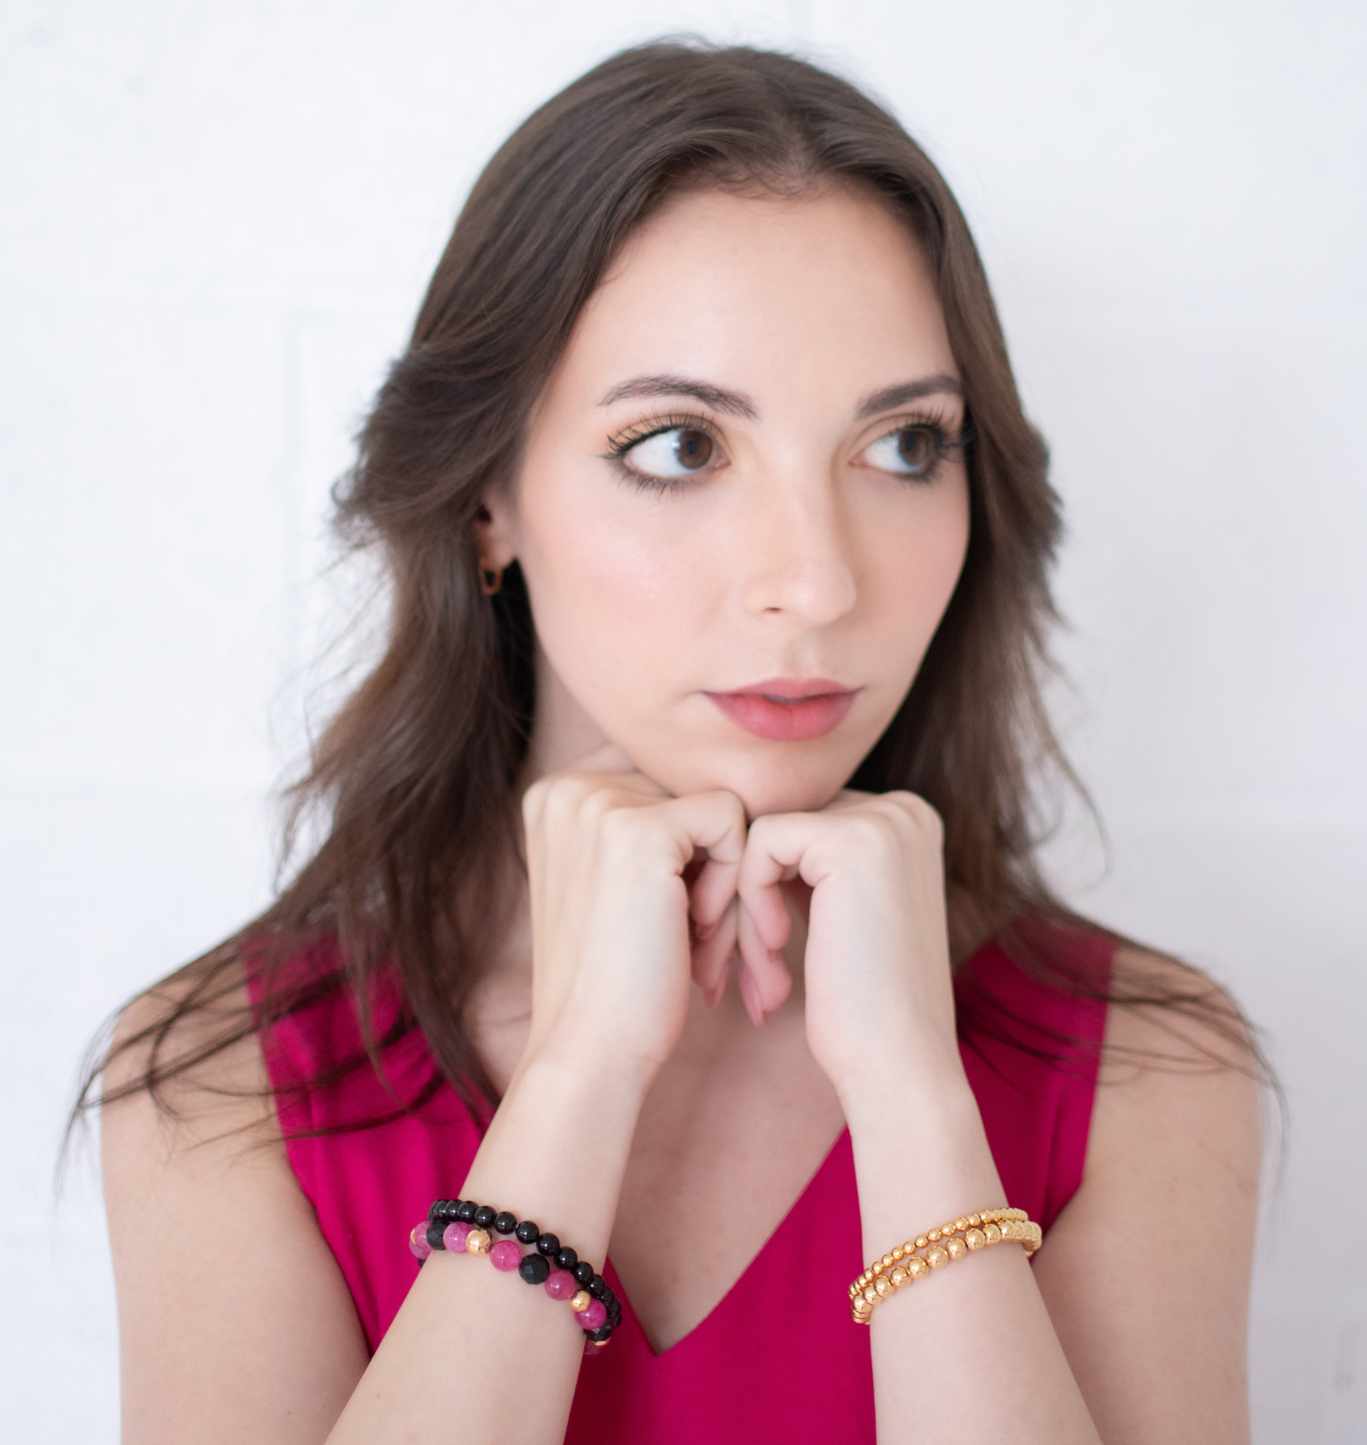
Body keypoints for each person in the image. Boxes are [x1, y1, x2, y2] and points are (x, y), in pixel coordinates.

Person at [91, 41, 1262, 1445]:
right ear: (486, 502)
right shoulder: (226, 1086)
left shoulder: (1144, 1070)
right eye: (681, 448)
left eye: (904, 447)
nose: (815, 582)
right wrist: (577, 1082)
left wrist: (914, 1104)